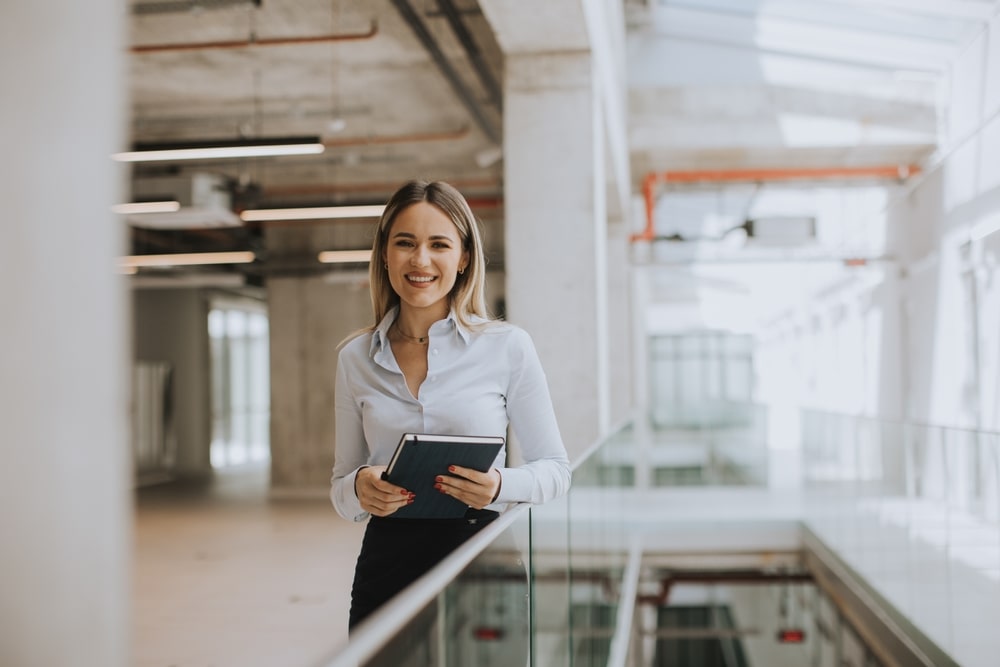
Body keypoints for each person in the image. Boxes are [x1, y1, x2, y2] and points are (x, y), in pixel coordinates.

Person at [330, 179, 572, 630]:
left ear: (463, 258)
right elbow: (342, 488)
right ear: (385, 254)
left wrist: (499, 486)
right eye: (405, 243)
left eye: (439, 244)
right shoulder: (355, 359)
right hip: (387, 567)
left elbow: (556, 471)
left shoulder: (508, 347)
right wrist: (359, 486)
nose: (420, 260)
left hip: (482, 562)